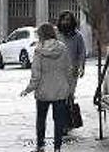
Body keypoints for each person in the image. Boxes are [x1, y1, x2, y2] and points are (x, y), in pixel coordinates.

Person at [20, 23, 76, 152]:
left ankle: (40, 146)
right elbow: (69, 70)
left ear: (41, 34)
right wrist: (70, 89)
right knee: (59, 121)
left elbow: (36, 74)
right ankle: (57, 148)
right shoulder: (62, 48)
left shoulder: (39, 50)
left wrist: (28, 89)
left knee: (41, 119)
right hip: (61, 90)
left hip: (43, 91)